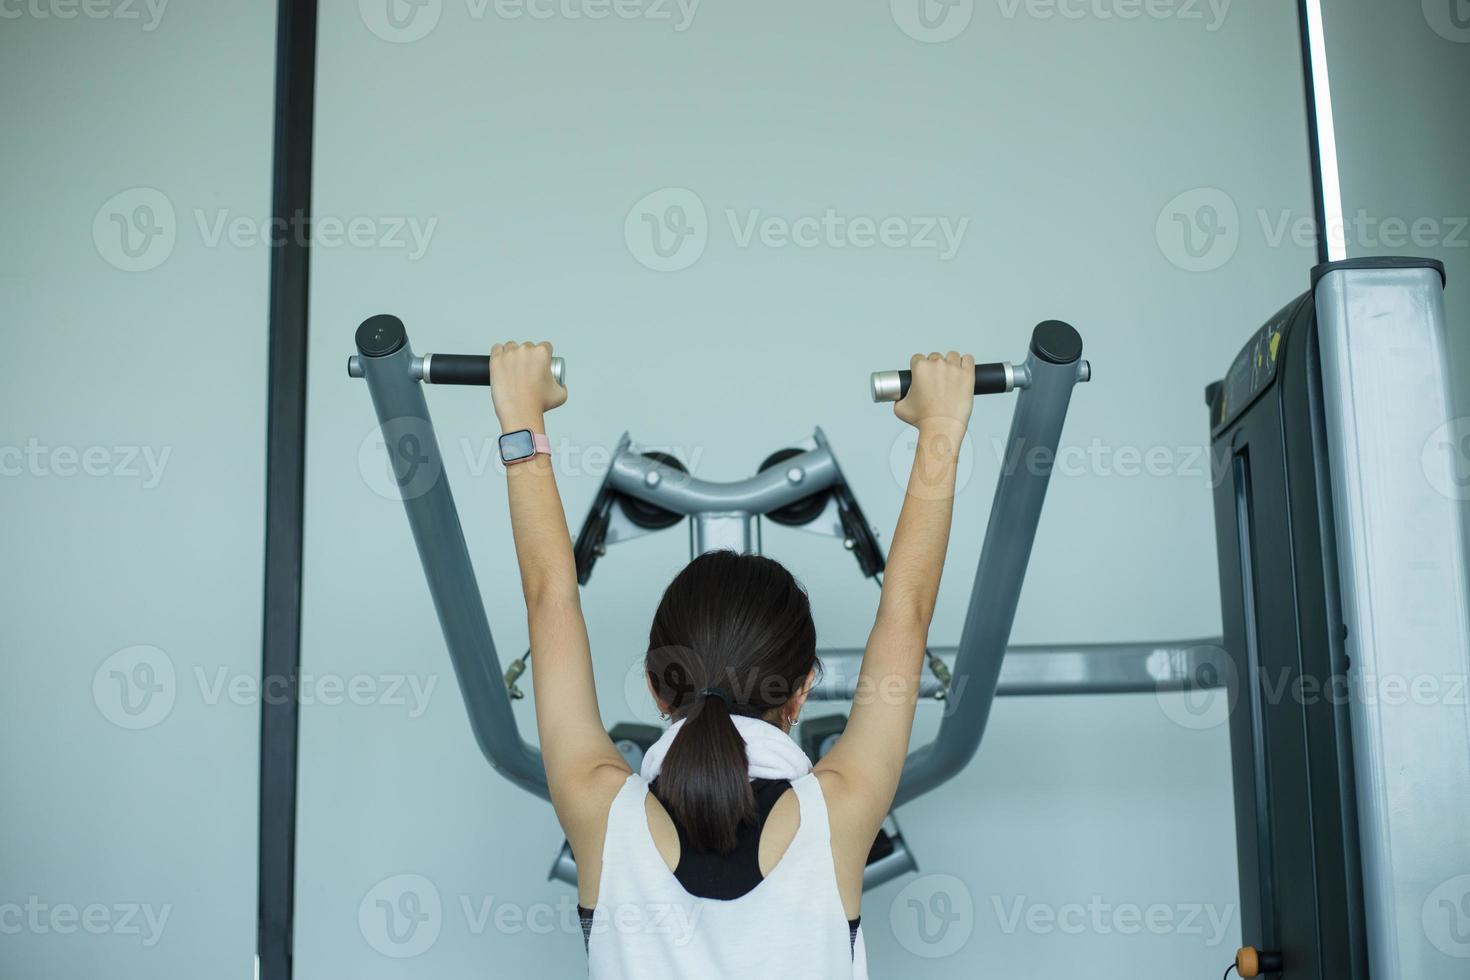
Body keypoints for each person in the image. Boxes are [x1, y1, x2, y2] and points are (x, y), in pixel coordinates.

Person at [489, 341, 976, 978]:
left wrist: (520, 415)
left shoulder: (603, 816)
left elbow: (550, 599)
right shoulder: (838, 815)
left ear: (657, 689)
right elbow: (906, 610)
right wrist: (941, 425)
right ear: (802, 690)